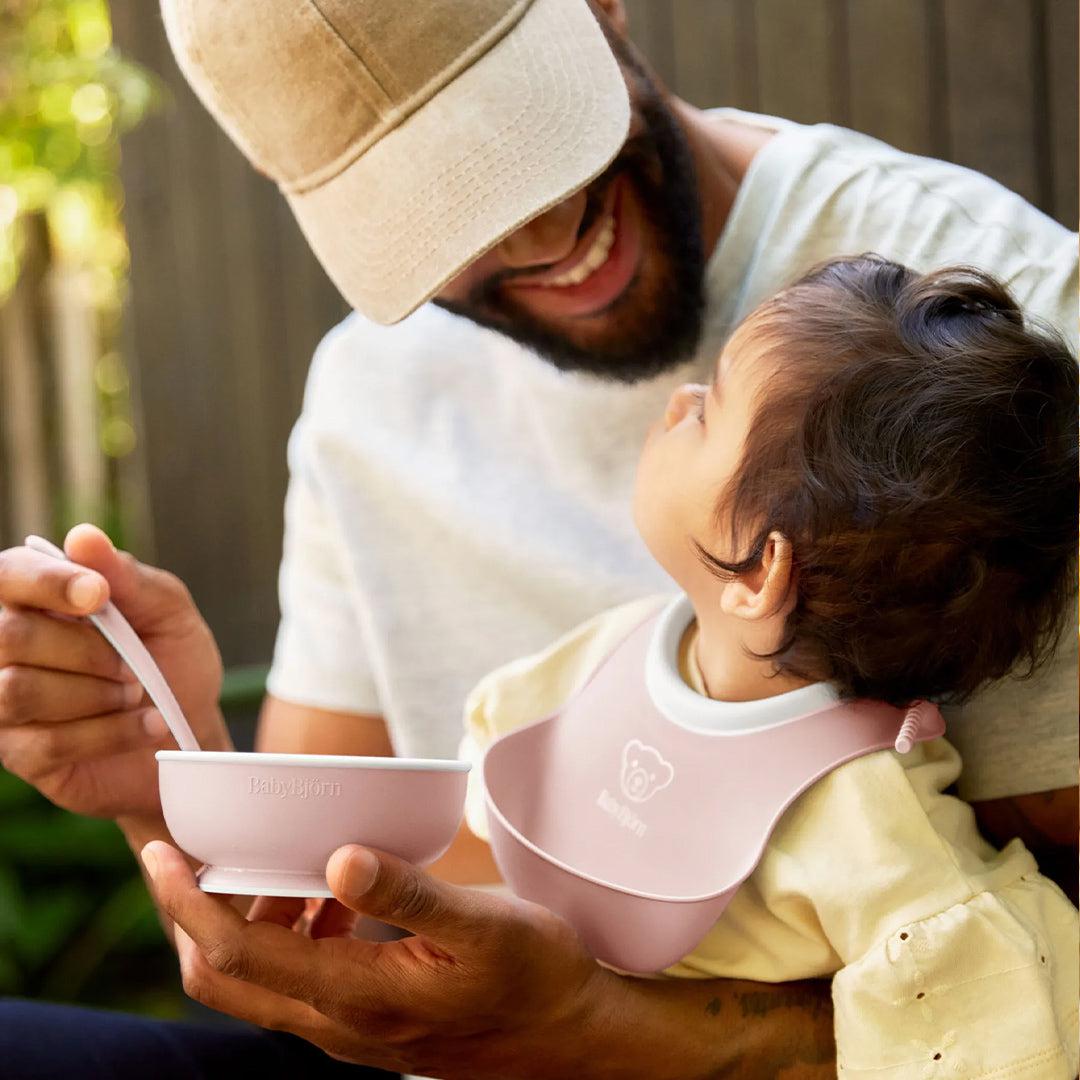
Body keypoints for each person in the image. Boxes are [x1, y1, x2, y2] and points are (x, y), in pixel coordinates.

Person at [0, 0, 1074, 1075]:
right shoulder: (368, 397)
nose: (534, 236)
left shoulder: (1001, 391)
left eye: (523, 139)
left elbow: (999, 1013)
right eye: (438, 209)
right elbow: (332, 919)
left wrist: (602, 1032)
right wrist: (167, 767)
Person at [459, 255, 1080, 1076]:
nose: (679, 401)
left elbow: (979, 1034)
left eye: (711, 409)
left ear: (757, 574)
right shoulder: (624, 650)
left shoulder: (871, 821)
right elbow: (488, 786)